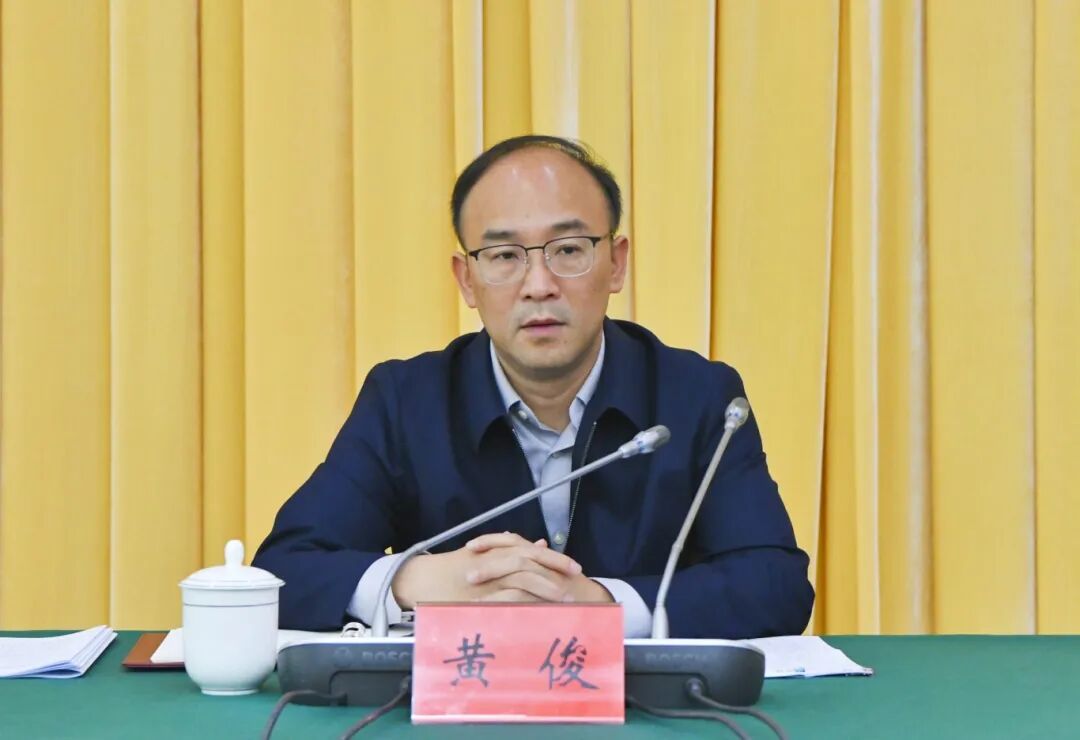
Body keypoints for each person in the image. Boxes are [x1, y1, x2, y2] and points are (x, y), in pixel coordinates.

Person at [253, 135, 814, 638]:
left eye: (568, 250)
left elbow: (775, 584)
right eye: (504, 256)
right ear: (466, 280)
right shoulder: (406, 401)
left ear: (616, 264)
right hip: (462, 706)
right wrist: (417, 581)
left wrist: (603, 604)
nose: (538, 285)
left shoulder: (697, 397)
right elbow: (284, 572)